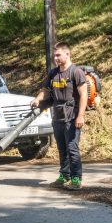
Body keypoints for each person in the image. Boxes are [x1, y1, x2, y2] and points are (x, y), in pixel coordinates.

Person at [31, 42, 88, 190]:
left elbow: (83, 95)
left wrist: (80, 116)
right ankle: (64, 175)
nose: (55, 58)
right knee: (62, 149)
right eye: (54, 55)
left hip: (72, 117)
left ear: (67, 54)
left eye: (58, 55)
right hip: (57, 117)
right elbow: (45, 90)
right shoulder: (53, 73)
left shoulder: (76, 72)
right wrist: (37, 99)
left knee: (72, 148)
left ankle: (76, 179)